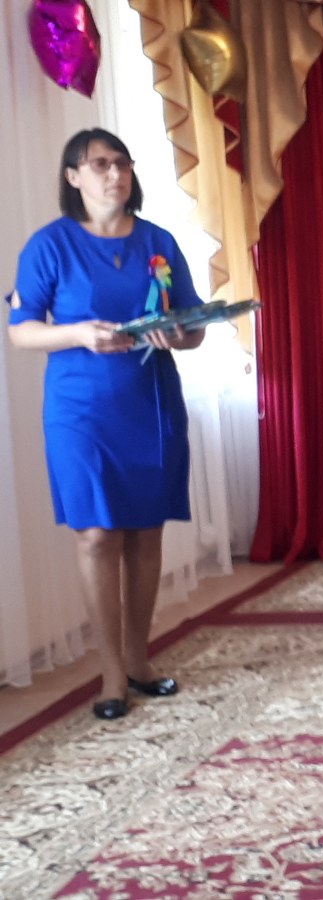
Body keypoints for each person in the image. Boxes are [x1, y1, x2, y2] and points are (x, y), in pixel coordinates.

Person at [7, 128, 206, 720]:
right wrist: (78, 333)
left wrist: (178, 333)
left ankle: (140, 660)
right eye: (99, 164)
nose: (114, 173)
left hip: (151, 401)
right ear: (73, 176)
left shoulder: (159, 241)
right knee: (96, 534)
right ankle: (111, 671)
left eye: (121, 162)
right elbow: (21, 331)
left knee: (145, 532)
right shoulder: (49, 244)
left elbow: (193, 327)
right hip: (80, 410)